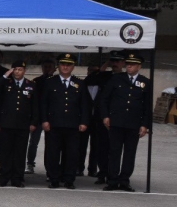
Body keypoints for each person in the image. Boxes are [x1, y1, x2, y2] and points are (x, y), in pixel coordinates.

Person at [99, 52, 152, 192]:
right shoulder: (116, 79)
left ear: (139, 66)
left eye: (132, 64)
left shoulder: (145, 82)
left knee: (130, 153)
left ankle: (124, 180)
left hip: (133, 123)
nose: (129, 66)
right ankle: (112, 180)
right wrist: (105, 116)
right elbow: (104, 99)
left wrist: (145, 125)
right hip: (116, 122)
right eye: (128, 64)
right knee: (114, 151)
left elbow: (147, 106)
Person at [40, 53, 91, 189]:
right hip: (54, 124)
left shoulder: (79, 84)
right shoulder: (50, 82)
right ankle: (54, 178)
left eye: (68, 65)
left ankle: (69, 179)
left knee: (72, 153)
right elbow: (43, 103)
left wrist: (84, 122)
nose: (65, 67)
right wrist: (44, 120)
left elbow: (84, 105)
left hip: (73, 125)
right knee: (53, 153)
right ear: (58, 66)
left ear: (73, 67)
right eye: (63, 64)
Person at [0, 60, 38, 188]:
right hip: (7, 123)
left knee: (20, 153)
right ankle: (4, 177)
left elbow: (35, 106)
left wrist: (33, 122)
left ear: (24, 71)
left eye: (20, 69)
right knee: (5, 152)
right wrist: (5, 75)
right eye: (15, 69)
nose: (17, 72)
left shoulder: (31, 85)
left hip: (23, 124)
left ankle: (17, 178)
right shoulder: (6, 83)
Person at [84, 51, 125, 184]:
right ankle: (102, 173)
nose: (115, 64)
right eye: (113, 61)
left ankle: (113, 173)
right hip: (102, 117)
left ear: (123, 63)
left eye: (118, 61)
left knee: (115, 148)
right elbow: (90, 80)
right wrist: (106, 63)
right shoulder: (105, 76)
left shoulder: (125, 77)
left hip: (118, 117)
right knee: (102, 147)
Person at [26, 57, 55, 174]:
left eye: (49, 67)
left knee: (51, 144)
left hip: (51, 117)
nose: (47, 69)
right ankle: (30, 164)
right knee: (33, 142)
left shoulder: (56, 80)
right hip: (38, 116)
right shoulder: (36, 81)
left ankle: (50, 167)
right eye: (45, 67)